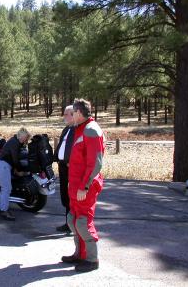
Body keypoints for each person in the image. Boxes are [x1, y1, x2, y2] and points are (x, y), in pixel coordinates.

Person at [61, 99, 105, 273]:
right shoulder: (80, 129)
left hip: (85, 186)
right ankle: (80, 254)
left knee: (83, 222)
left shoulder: (91, 130)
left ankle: (92, 260)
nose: (71, 116)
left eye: (73, 113)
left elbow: (96, 163)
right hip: (75, 185)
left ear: (78, 113)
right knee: (73, 219)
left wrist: (84, 186)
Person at [0, 127, 31, 221]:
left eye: (26, 139)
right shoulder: (14, 143)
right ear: (21, 136)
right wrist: (19, 170)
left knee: (6, 188)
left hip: (5, 165)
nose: (26, 140)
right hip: (3, 165)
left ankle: (2, 209)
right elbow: (15, 159)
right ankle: (3, 211)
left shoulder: (16, 141)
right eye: (25, 138)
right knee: (6, 188)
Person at [54, 105, 76, 233]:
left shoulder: (77, 129)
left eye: (66, 114)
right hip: (63, 166)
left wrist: (70, 162)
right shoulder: (67, 128)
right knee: (64, 194)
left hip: (71, 167)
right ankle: (68, 223)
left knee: (71, 195)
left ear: (73, 115)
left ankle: (72, 224)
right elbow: (63, 145)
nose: (64, 116)